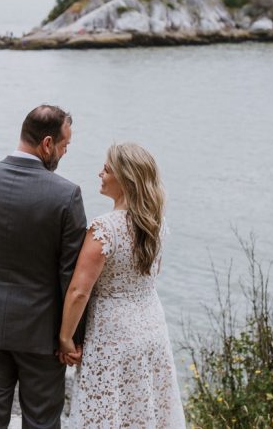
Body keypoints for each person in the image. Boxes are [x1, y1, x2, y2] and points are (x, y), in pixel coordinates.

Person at [0, 105, 88, 429]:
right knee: (41, 422)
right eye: (65, 145)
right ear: (47, 143)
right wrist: (71, 337)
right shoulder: (66, 195)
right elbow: (71, 274)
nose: (64, 153)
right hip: (41, 333)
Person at [57, 142, 186, 428]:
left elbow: (79, 291)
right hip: (151, 327)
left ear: (125, 178)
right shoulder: (156, 224)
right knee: (141, 410)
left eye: (106, 169)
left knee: (106, 412)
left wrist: (66, 338)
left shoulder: (104, 228)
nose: (99, 173)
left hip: (111, 333)